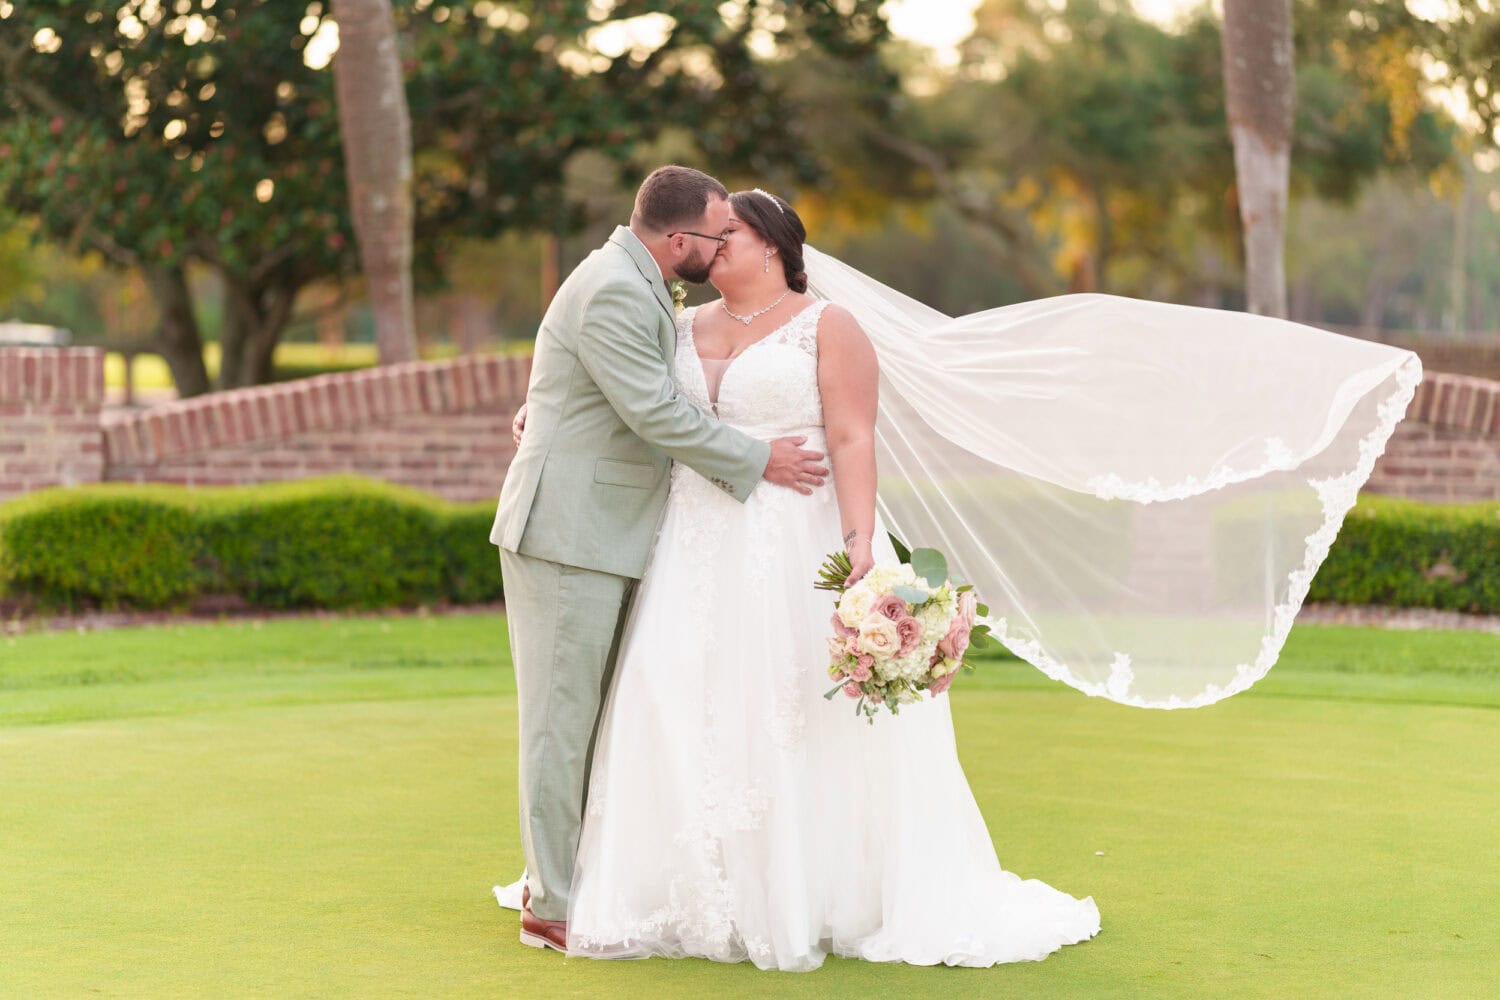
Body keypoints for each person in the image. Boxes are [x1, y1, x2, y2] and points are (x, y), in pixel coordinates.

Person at [505, 188, 1102, 969]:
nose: (716, 247)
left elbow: (852, 437)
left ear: (776, 248)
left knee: (785, 705)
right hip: (688, 541)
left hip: (794, 531)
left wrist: (858, 540)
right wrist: (539, 414)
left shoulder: (829, 326)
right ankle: (669, 883)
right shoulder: (678, 323)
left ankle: (804, 888)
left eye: (732, 236)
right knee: (673, 696)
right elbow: (621, 397)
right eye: (713, 237)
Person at [489, 167, 828, 953]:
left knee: (591, 718)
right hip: (569, 531)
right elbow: (651, 409)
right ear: (678, 239)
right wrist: (756, 458)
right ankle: (551, 902)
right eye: (713, 238)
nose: (716, 252)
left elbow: (604, 389)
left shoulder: (639, 282)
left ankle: (578, 878)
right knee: (559, 723)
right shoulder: (614, 286)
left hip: (607, 528)